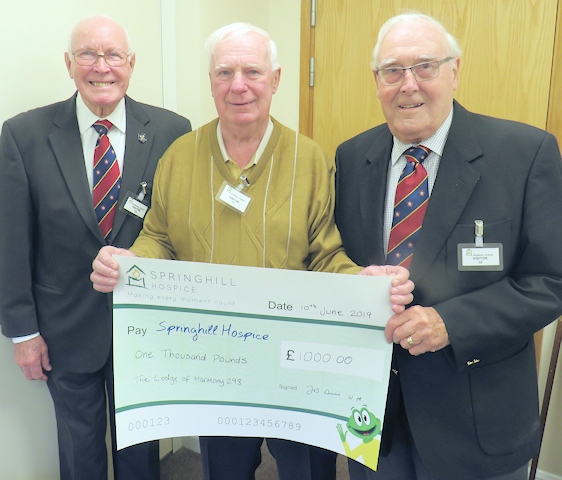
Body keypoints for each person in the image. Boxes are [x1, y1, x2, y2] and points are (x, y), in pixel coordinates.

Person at [90, 22, 414, 480]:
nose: (238, 85)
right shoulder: (178, 157)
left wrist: (359, 282)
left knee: (307, 471)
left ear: (276, 80)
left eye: (252, 72)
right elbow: (158, 238)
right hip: (216, 367)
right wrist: (130, 262)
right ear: (210, 82)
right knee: (225, 470)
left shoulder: (311, 160)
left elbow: (325, 255)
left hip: (298, 369)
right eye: (224, 73)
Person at [334, 11, 562, 480]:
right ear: (377, 81)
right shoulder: (353, 157)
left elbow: (550, 281)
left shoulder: (524, 153)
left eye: (425, 67)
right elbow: (342, 260)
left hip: (477, 424)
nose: (408, 84)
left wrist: (449, 322)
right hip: (375, 420)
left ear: (455, 71)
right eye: (392, 70)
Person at [0, 15, 191, 480]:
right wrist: (22, 334)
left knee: (140, 449)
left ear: (131, 64)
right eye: (88, 54)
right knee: (78, 449)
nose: (101, 67)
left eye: (113, 56)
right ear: (69, 64)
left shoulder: (172, 130)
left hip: (147, 327)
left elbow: (182, 230)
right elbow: (10, 241)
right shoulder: (23, 135)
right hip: (63, 327)